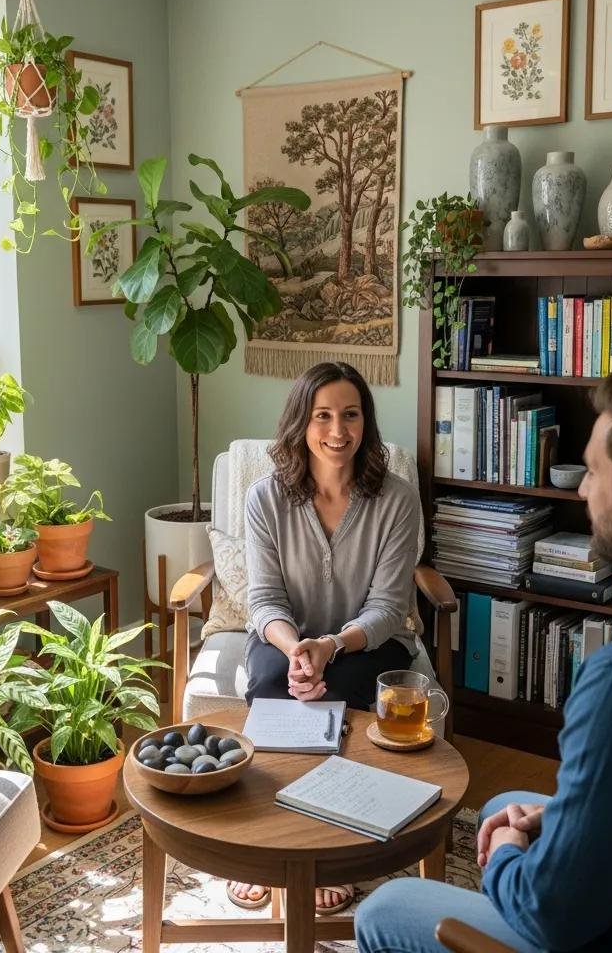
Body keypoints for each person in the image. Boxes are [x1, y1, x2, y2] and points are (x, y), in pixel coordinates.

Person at [356, 368, 612, 952]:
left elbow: (549, 915)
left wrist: (506, 857)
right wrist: (558, 822)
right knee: (507, 804)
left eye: (594, 471)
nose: (582, 491)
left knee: (386, 909)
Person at [227, 360, 423, 916]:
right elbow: (264, 601)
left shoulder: (397, 499)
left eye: (351, 415)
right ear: (302, 422)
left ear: (366, 422)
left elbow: (388, 608)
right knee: (270, 686)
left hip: (367, 640)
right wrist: (296, 650)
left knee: (342, 693)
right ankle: (263, 841)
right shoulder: (265, 498)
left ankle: (331, 850)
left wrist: (330, 646)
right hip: (285, 637)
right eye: (323, 416)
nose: (338, 431)